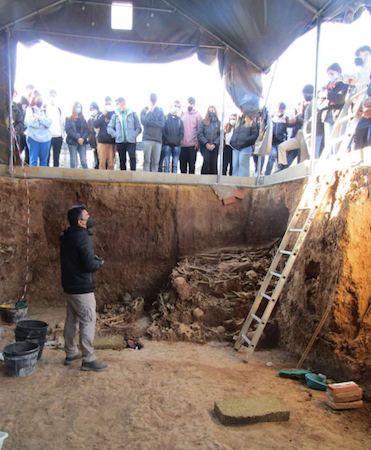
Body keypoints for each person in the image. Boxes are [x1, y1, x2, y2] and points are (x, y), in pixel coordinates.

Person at [60, 205, 107, 371]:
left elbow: (75, 259)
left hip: (70, 286)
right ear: (80, 222)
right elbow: (88, 264)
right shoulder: (83, 237)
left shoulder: (66, 235)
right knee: (87, 321)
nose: (90, 218)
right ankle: (88, 359)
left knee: (71, 320)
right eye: (87, 216)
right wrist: (99, 263)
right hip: (82, 288)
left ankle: (71, 352)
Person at [277, 85, 313, 170]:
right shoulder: (302, 106)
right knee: (281, 147)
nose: (305, 96)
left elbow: (304, 120)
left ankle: (302, 173)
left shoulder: (313, 105)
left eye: (306, 94)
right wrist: (286, 122)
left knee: (302, 160)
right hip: (298, 134)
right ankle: (283, 167)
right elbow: (295, 120)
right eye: (304, 94)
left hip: (306, 134)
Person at [108, 97, 142, 171]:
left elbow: (138, 128)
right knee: (122, 161)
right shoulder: (115, 116)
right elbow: (109, 128)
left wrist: (133, 135)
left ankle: (133, 176)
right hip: (120, 141)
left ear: (123, 103)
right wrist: (116, 134)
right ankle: (123, 179)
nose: (116, 106)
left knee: (132, 157)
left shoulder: (133, 114)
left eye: (117, 104)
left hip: (131, 141)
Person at [24, 91, 52, 166]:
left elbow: (49, 122)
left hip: (45, 139)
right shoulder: (30, 110)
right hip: (33, 137)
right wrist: (43, 124)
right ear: (34, 99)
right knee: (33, 160)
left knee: (44, 161)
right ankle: (33, 177)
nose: (40, 100)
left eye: (41, 99)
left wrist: (39, 119)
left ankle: (43, 177)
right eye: (38, 99)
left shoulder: (46, 110)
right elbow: (30, 122)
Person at [140, 93, 165, 172]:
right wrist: (150, 112)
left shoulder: (160, 110)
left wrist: (150, 123)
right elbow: (144, 121)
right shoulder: (144, 110)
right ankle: (146, 179)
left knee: (156, 162)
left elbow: (162, 124)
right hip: (147, 139)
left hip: (158, 140)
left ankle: (154, 181)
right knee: (147, 161)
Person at [180, 97, 203, 174]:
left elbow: (200, 130)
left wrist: (197, 142)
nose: (190, 104)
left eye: (191, 103)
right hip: (182, 145)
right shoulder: (182, 114)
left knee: (192, 166)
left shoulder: (198, 116)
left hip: (192, 145)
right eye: (188, 102)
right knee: (182, 167)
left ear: (194, 104)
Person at [197, 106, 221, 175]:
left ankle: (213, 180)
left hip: (215, 146)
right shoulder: (203, 122)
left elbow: (220, 135)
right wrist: (206, 143)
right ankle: (204, 179)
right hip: (205, 146)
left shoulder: (218, 123)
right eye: (210, 111)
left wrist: (214, 144)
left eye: (213, 110)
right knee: (206, 160)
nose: (211, 112)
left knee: (214, 162)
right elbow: (200, 134)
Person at [93, 97, 116, 170]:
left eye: (109, 104)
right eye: (106, 104)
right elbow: (96, 124)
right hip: (101, 142)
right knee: (102, 163)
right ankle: (101, 180)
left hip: (111, 142)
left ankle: (111, 180)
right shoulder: (100, 114)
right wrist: (103, 115)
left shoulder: (114, 114)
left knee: (111, 163)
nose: (108, 105)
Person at [162, 101, 184, 173]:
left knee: (175, 165)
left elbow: (181, 133)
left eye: (178, 107)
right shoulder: (165, 118)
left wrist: (177, 140)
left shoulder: (180, 121)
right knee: (166, 164)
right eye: (175, 106)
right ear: (171, 106)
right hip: (167, 144)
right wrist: (167, 139)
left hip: (177, 145)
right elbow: (162, 131)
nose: (176, 108)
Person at [65, 102, 89, 169]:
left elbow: (86, 130)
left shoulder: (83, 119)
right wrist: (77, 138)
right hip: (72, 142)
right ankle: (72, 178)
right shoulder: (68, 119)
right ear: (74, 108)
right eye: (77, 107)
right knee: (73, 162)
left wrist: (83, 138)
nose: (79, 109)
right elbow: (68, 130)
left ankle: (87, 177)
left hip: (82, 142)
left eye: (80, 107)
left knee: (83, 161)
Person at [45, 90, 65, 167]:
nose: (52, 97)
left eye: (53, 96)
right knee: (47, 156)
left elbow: (62, 123)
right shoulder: (45, 107)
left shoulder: (59, 109)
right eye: (50, 95)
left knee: (56, 158)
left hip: (58, 136)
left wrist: (62, 135)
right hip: (48, 136)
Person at [87, 102, 100, 169]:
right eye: (91, 109)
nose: (93, 111)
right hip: (93, 143)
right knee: (96, 160)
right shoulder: (89, 120)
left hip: (101, 142)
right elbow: (89, 131)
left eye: (94, 109)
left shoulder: (101, 117)